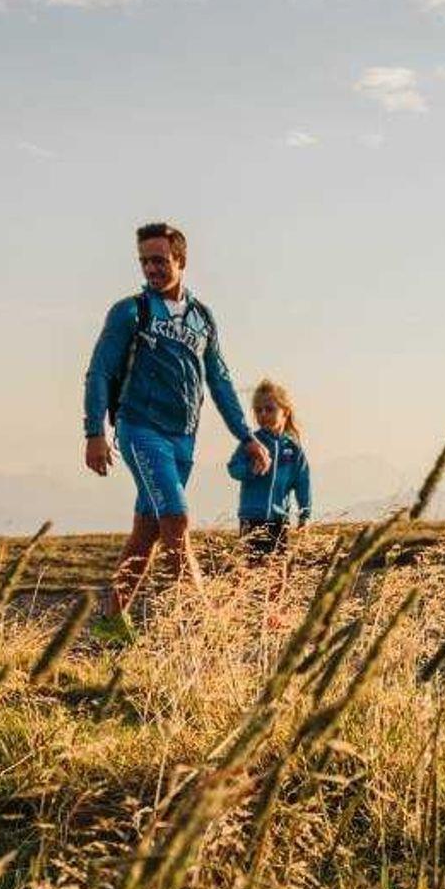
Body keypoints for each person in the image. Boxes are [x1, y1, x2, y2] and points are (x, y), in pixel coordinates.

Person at [82, 222, 268, 635]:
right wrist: (94, 431)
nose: (151, 268)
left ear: (180, 261)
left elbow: (219, 381)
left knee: (147, 531)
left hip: (183, 438)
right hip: (140, 429)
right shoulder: (131, 311)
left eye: (159, 260)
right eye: (144, 261)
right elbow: (99, 371)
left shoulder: (203, 318)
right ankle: (205, 623)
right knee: (177, 520)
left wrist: (246, 436)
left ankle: (110, 622)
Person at [229, 379, 312, 557]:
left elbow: (302, 483)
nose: (263, 414)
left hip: (279, 520)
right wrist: (251, 470)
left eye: (269, 409)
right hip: (251, 518)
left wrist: (304, 515)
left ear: (285, 412)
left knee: (276, 566)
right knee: (251, 565)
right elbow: (233, 468)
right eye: (258, 410)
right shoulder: (252, 443)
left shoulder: (293, 449)